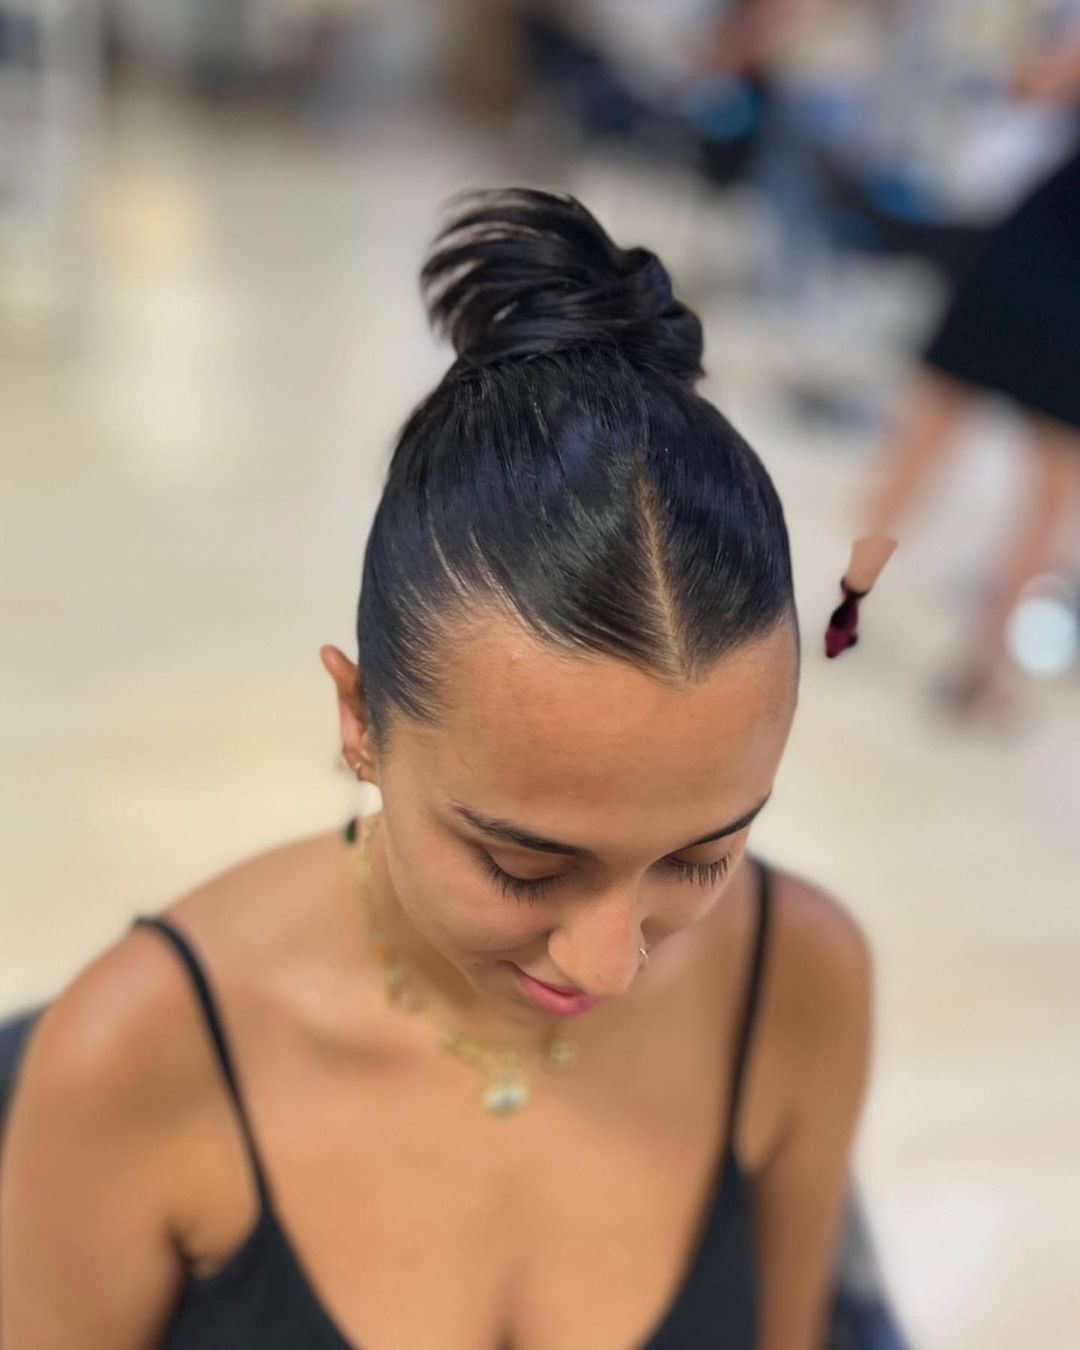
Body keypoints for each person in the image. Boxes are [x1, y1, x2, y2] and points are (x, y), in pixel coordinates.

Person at [0, 189, 872, 1350]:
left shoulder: (800, 979)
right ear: (360, 721)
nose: (612, 965)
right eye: (524, 867)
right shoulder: (133, 1058)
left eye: (701, 857)